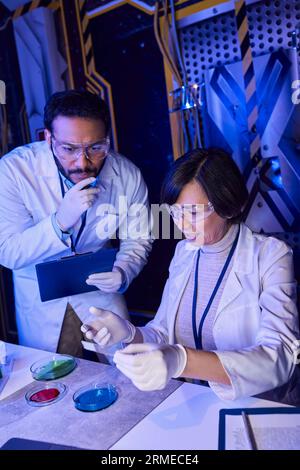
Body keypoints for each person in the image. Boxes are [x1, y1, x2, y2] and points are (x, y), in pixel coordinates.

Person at [81, 148, 299, 403]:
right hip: (195, 401)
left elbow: (280, 358)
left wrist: (182, 361)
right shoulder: (185, 252)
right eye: (175, 213)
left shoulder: (270, 255)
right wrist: (129, 333)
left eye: (193, 213)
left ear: (229, 205)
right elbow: (163, 333)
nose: (182, 225)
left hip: (256, 405)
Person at [0, 90, 152, 356]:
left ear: (107, 139)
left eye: (96, 148)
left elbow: (138, 238)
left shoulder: (126, 174)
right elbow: (7, 251)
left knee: (126, 380)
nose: (83, 161)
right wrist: (58, 223)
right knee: (53, 386)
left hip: (103, 298)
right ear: (48, 138)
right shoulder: (13, 172)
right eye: (69, 149)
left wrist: (124, 270)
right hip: (40, 305)